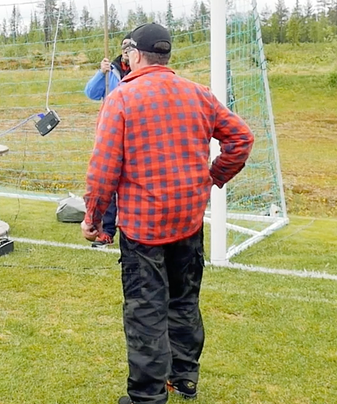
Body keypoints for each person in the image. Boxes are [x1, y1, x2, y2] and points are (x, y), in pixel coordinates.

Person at [81, 23, 253, 404]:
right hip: (188, 220)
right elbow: (241, 138)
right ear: (165, 54)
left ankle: (146, 396)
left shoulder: (123, 98)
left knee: (146, 311)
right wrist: (213, 177)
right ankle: (184, 378)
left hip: (144, 228)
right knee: (184, 301)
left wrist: (92, 218)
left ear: (134, 54)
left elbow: (103, 169)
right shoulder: (199, 94)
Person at [83, 37, 133, 248]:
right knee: (108, 181)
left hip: (133, 132)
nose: (126, 51)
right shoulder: (110, 70)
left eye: (131, 47)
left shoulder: (143, 74)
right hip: (111, 132)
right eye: (124, 47)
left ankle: (132, 229)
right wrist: (100, 73)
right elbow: (91, 93)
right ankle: (107, 230)